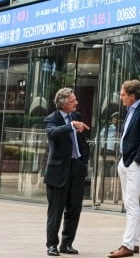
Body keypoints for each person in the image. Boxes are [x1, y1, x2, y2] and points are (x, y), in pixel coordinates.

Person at [110, 79, 140, 258]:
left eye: (123, 95)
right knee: (130, 202)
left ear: (132, 96)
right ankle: (134, 242)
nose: (120, 97)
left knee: (131, 203)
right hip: (126, 160)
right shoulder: (131, 110)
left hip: (134, 163)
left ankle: (127, 245)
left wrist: (137, 160)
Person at [43, 87, 90, 256]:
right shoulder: (52, 119)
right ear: (63, 104)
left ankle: (67, 244)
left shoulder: (77, 116)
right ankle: (52, 245)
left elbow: (82, 142)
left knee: (74, 209)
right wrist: (70, 126)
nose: (76, 102)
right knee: (55, 211)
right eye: (72, 100)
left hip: (76, 169)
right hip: (58, 172)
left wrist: (83, 162)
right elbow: (52, 133)